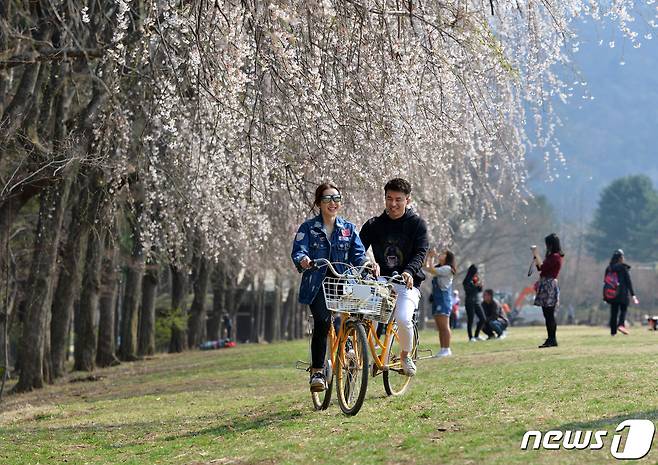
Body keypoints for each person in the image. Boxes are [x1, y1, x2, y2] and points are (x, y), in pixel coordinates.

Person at [291, 182, 370, 392]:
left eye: (336, 198)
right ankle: (317, 371)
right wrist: (304, 260)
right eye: (327, 198)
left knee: (359, 311)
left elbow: (358, 255)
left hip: (343, 282)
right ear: (318, 202)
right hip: (317, 286)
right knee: (323, 322)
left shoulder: (348, 229)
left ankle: (351, 347)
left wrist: (366, 264)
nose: (332, 203)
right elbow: (298, 251)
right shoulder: (308, 228)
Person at [360, 178, 429, 376]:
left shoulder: (417, 224)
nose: (393, 204)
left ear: (408, 200)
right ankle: (367, 354)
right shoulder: (374, 225)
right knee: (367, 313)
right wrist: (366, 263)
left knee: (403, 318)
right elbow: (357, 250)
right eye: (389, 198)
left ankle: (405, 355)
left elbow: (420, 252)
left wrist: (408, 271)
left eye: (398, 199)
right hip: (381, 281)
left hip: (408, 282)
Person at [532, 233, 564, 348]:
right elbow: (540, 268)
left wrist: (536, 255)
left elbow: (543, 268)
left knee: (549, 314)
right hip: (547, 284)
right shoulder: (553, 256)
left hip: (548, 285)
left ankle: (552, 338)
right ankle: (551, 338)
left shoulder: (555, 257)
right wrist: (536, 257)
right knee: (547, 314)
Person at [424, 249, 457, 357]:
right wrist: (430, 256)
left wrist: (431, 256)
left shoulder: (447, 269)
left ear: (448, 257)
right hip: (438, 300)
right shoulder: (441, 268)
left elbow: (431, 270)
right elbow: (427, 267)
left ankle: (447, 349)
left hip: (443, 300)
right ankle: (443, 349)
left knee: (444, 326)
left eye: (443, 254)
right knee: (439, 326)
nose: (440, 254)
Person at [604, 249, 638, 336]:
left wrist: (605, 296)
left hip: (612, 294)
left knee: (613, 313)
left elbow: (605, 282)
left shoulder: (609, 268)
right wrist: (633, 295)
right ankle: (621, 325)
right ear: (620, 258)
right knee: (623, 309)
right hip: (622, 293)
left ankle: (613, 332)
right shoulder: (623, 268)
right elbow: (628, 281)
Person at [463, 264, 485, 341]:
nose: (476, 273)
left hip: (477, 301)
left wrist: (480, 285)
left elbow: (479, 290)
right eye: (475, 271)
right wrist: (475, 285)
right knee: (471, 320)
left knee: (483, 318)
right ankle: (471, 337)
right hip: (469, 302)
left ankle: (476, 335)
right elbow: (468, 291)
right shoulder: (466, 280)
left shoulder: (475, 279)